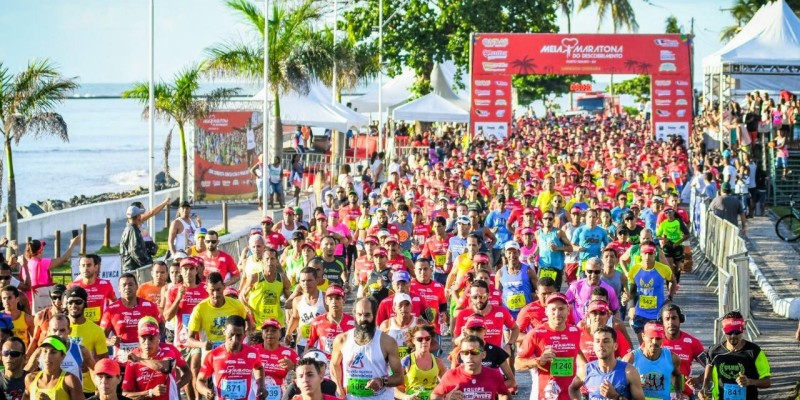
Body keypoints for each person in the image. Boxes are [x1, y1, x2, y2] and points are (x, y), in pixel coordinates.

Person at [330, 297, 404, 400]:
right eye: (359, 315)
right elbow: (334, 364)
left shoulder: (387, 342)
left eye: (367, 315)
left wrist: (381, 381)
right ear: (354, 315)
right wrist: (339, 388)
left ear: (374, 315)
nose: (363, 319)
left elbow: (399, 377)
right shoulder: (342, 340)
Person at [516, 292, 586, 400]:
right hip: (544, 395)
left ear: (568, 311)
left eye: (561, 309)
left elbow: (579, 356)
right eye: (553, 309)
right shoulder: (536, 334)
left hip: (569, 395)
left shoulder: (576, 332)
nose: (557, 313)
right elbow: (517, 364)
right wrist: (538, 361)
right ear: (546, 311)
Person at [699, 312, 771, 400]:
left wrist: (749, 381)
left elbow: (767, 382)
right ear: (723, 330)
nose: (733, 336)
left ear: (743, 329)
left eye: (737, 332)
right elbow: (708, 369)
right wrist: (704, 388)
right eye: (729, 331)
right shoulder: (714, 351)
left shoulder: (754, 352)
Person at [196, 315, 267, 400]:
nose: (234, 340)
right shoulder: (213, 355)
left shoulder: (253, 353)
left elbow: (259, 367)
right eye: (231, 334)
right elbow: (199, 381)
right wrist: (206, 391)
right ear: (224, 331)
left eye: (239, 335)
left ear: (244, 333)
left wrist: (261, 386)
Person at [123, 317, 191, 400]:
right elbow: (125, 394)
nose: (147, 343)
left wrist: (175, 387)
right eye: (143, 338)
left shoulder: (169, 350)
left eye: (151, 338)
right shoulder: (133, 357)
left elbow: (168, 367)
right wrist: (150, 393)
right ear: (138, 337)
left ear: (159, 337)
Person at [568, 326, 645, 400]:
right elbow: (572, 388)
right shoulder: (586, 370)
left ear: (615, 346)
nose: (601, 345)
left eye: (606, 341)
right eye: (597, 341)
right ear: (594, 346)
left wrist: (616, 397)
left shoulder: (629, 371)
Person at [100, 273, 162, 364]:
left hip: (145, 360)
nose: (127, 287)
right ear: (119, 289)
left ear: (137, 287)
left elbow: (161, 325)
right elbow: (101, 336)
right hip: (122, 360)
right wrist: (110, 341)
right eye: (124, 285)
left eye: (130, 284)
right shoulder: (111, 310)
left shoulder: (149, 306)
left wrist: (155, 341)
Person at [431, 335, 510, 400]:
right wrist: (447, 398)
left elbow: (504, 394)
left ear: (483, 355)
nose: (469, 356)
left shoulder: (494, 375)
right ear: (461, 356)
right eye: (465, 352)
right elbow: (435, 396)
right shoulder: (451, 375)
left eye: (474, 352)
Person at [627, 242, 676, 344]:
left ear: (655, 254)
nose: (647, 256)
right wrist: (631, 307)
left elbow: (673, 281)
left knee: (657, 345)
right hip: (640, 313)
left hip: (658, 313)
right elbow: (632, 291)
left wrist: (670, 298)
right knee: (643, 346)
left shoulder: (663, 269)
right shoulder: (634, 270)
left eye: (650, 253)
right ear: (640, 254)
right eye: (645, 253)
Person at [64, 286, 109, 397]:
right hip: (63, 385)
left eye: (78, 302)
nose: (74, 305)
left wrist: (99, 388)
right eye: (71, 302)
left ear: (85, 304)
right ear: (66, 304)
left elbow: (103, 362)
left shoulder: (96, 330)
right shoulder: (59, 327)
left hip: (87, 388)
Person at [622, 322, 682, 400]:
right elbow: (620, 384)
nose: (654, 342)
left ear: (663, 337)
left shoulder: (672, 358)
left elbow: (677, 375)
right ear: (643, 336)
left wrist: (678, 393)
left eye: (658, 338)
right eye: (651, 337)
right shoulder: (630, 359)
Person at [659, 304, 706, 398]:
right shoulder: (654, 341)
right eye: (667, 319)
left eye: (674, 318)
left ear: (680, 319)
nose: (671, 322)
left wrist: (699, 379)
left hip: (685, 395)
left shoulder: (693, 342)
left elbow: (711, 366)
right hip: (660, 395)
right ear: (661, 322)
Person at [24, 336, 84, 400]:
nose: (47, 357)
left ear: (62, 356)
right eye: (45, 351)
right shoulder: (30, 378)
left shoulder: (70, 381)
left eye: (53, 352)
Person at [565, 257, 621, 322]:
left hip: (600, 328)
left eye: (597, 272)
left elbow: (616, 311)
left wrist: (617, 327)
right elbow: (564, 304)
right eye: (590, 271)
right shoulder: (575, 286)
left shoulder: (609, 290)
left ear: (601, 272)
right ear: (585, 271)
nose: (593, 275)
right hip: (580, 328)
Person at [285, 267, 327, 354]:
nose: (306, 284)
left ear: (317, 281)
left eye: (309, 280)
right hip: (302, 344)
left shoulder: (325, 298)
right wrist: (288, 333)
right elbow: (295, 318)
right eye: (303, 281)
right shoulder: (297, 300)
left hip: (320, 344)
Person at [398, 324, 446, 400]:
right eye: (420, 339)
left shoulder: (438, 362)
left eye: (427, 339)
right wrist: (406, 397)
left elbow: (446, 385)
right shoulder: (406, 362)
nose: (424, 342)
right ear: (413, 341)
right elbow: (394, 388)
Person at [307, 285, 356, 357]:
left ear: (344, 300)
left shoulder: (353, 322)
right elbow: (310, 346)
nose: (334, 302)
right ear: (326, 300)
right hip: (324, 365)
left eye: (337, 298)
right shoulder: (316, 322)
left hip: (345, 365)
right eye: (330, 298)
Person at [257, 318, 299, 400]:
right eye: (266, 330)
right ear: (262, 334)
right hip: (256, 394)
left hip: (280, 396)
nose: (269, 333)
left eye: (273, 331)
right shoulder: (254, 351)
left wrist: (293, 367)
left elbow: (304, 369)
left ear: (280, 334)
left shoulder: (289, 353)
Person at [69, 254, 117, 325]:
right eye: (83, 265)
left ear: (96, 267)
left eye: (88, 265)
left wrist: (108, 317)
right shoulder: (72, 286)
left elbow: (114, 302)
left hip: (99, 327)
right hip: (79, 326)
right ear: (79, 268)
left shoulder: (106, 284)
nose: (85, 268)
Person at [494, 240, 537, 319]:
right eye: (509, 253)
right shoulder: (500, 273)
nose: (512, 255)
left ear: (519, 253)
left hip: (525, 314)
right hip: (508, 314)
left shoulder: (528, 271)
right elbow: (497, 295)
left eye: (514, 252)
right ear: (506, 254)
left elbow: (538, 290)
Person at [534, 210, 573, 290]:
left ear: (553, 220)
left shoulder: (559, 233)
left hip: (556, 268)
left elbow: (570, 248)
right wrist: (533, 255)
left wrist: (557, 248)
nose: (547, 220)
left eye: (550, 219)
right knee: (543, 290)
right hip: (543, 267)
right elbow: (538, 247)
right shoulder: (538, 233)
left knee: (555, 292)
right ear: (542, 220)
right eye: (545, 218)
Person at [379, 293, 418, 360]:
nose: (403, 308)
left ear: (411, 307)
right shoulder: (386, 325)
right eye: (400, 305)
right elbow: (377, 346)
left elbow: (434, 345)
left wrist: (418, 349)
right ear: (394, 308)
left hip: (413, 366)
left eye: (407, 305)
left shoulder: (419, 323)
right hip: (391, 367)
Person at [119, 205, 153, 271]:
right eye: (139, 215)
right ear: (137, 216)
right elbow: (134, 250)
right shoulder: (133, 230)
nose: (141, 217)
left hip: (129, 267)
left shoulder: (128, 228)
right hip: (133, 268)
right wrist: (148, 263)